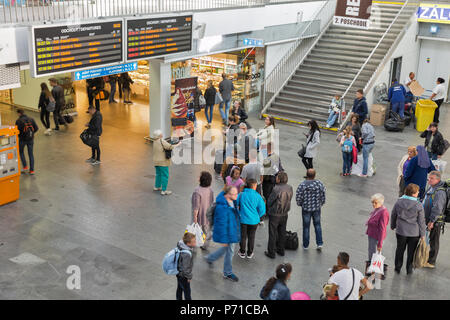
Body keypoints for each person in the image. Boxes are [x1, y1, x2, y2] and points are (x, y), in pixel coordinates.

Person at [204, 186, 240, 282]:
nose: (237, 195)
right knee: (230, 251)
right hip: (228, 232)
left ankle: (210, 258)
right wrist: (223, 239)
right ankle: (227, 272)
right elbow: (221, 224)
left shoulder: (232, 201)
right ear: (228, 194)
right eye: (235, 194)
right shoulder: (222, 208)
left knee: (227, 250)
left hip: (231, 230)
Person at [391, 183, 426, 274]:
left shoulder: (399, 202)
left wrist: (392, 225)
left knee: (400, 249)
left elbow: (393, 214)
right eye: (417, 192)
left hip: (401, 230)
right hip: (414, 233)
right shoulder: (419, 205)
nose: (418, 193)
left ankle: (397, 267)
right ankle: (409, 269)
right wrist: (423, 234)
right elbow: (421, 221)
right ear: (413, 193)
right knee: (411, 252)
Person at [265, 172, 293, 259]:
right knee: (282, 232)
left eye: (277, 177)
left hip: (275, 214)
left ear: (279, 179)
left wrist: (268, 208)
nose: (276, 178)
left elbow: (270, 201)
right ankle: (281, 250)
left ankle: (271, 252)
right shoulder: (290, 187)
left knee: (273, 233)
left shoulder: (276, 189)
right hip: (285, 213)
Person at [296, 169, 326, 250]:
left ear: (306, 175)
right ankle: (319, 243)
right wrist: (321, 203)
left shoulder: (302, 185)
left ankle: (306, 245)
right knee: (317, 225)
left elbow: (298, 197)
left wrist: (300, 204)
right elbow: (323, 195)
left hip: (306, 209)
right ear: (314, 175)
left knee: (306, 227)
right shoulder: (319, 184)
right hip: (316, 208)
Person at [422, 171, 447, 268]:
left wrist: (432, 221)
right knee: (430, 239)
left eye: (431, 178)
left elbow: (438, 208)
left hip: (435, 222)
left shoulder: (440, 192)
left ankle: (431, 262)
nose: (429, 180)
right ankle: (428, 258)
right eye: (429, 178)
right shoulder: (432, 187)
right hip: (428, 219)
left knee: (434, 241)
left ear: (438, 179)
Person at [237, 179, 266, 259]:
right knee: (251, 236)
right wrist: (258, 216)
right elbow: (262, 210)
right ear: (254, 186)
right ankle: (250, 253)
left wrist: (238, 213)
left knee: (243, 236)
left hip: (243, 219)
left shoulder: (241, 194)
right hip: (254, 221)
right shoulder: (258, 196)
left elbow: (235, 204)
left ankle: (242, 252)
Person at [152, 130, 180, 195]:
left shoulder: (154, 141)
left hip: (156, 161)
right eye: (161, 134)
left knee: (158, 174)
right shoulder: (162, 141)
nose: (162, 135)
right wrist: (178, 144)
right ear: (160, 135)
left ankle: (157, 186)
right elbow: (171, 147)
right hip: (163, 162)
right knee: (165, 175)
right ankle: (164, 190)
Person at [192, 171, 214, 250]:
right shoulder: (210, 190)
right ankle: (204, 244)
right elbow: (212, 202)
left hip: (198, 216)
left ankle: (193, 246)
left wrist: (194, 218)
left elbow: (196, 207)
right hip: (207, 215)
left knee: (195, 230)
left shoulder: (197, 191)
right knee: (205, 230)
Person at [365, 194, 389, 261]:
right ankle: (371, 266)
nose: (373, 204)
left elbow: (383, 229)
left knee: (373, 253)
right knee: (371, 251)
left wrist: (380, 244)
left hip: (376, 236)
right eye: (372, 202)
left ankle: (371, 268)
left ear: (381, 203)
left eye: (375, 203)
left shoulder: (383, 213)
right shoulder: (378, 209)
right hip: (372, 234)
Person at [262, 142, 283, 212]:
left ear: (267, 148)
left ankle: (267, 211)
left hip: (268, 181)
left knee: (267, 196)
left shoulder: (267, 158)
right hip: (275, 181)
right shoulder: (277, 157)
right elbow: (281, 168)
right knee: (273, 196)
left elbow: (264, 172)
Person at [15, 109, 38, 175]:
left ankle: (25, 166)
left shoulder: (18, 121)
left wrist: (20, 136)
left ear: (19, 113)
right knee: (31, 154)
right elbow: (36, 128)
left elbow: (17, 131)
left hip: (22, 140)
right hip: (31, 139)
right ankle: (32, 170)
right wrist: (32, 134)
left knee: (21, 152)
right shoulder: (31, 119)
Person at [176, 232, 196, 300]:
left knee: (179, 288)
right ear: (188, 244)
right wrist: (189, 277)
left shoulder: (181, 245)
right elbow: (186, 268)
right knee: (187, 292)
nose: (195, 242)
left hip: (178, 273)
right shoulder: (186, 254)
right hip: (184, 276)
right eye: (193, 241)